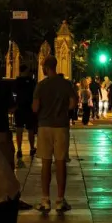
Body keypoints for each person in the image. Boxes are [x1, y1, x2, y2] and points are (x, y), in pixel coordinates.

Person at [31, 55, 77, 213]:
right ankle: (60, 199)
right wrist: (62, 109)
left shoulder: (41, 85)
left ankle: (45, 200)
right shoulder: (65, 84)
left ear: (45, 67)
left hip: (44, 126)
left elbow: (35, 108)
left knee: (45, 163)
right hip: (61, 126)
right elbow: (73, 103)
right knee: (60, 162)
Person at [11, 67, 38, 160]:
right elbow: (35, 94)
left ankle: (19, 149)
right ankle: (31, 148)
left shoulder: (17, 81)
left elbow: (13, 93)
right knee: (30, 129)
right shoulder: (32, 82)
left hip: (19, 108)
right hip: (29, 109)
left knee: (19, 129)